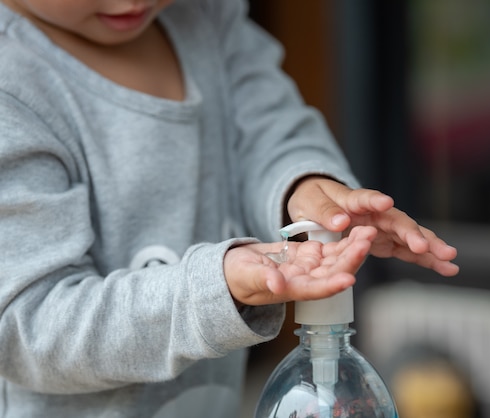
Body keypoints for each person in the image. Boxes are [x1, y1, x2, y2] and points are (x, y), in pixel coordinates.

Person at [0, 0, 459, 416]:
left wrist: (306, 191)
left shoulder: (207, 18)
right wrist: (212, 287)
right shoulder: (12, 86)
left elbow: (268, 132)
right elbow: (28, 326)